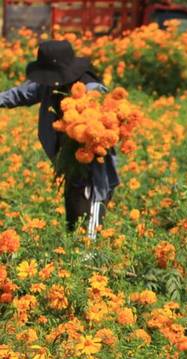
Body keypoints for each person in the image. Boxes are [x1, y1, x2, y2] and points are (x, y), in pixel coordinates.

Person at [0, 40, 119, 238]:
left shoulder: (91, 89)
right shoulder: (49, 86)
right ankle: (76, 256)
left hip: (94, 169)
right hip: (71, 164)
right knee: (73, 219)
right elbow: (20, 94)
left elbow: (108, 115)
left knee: (90, 228)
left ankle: (91, 259)